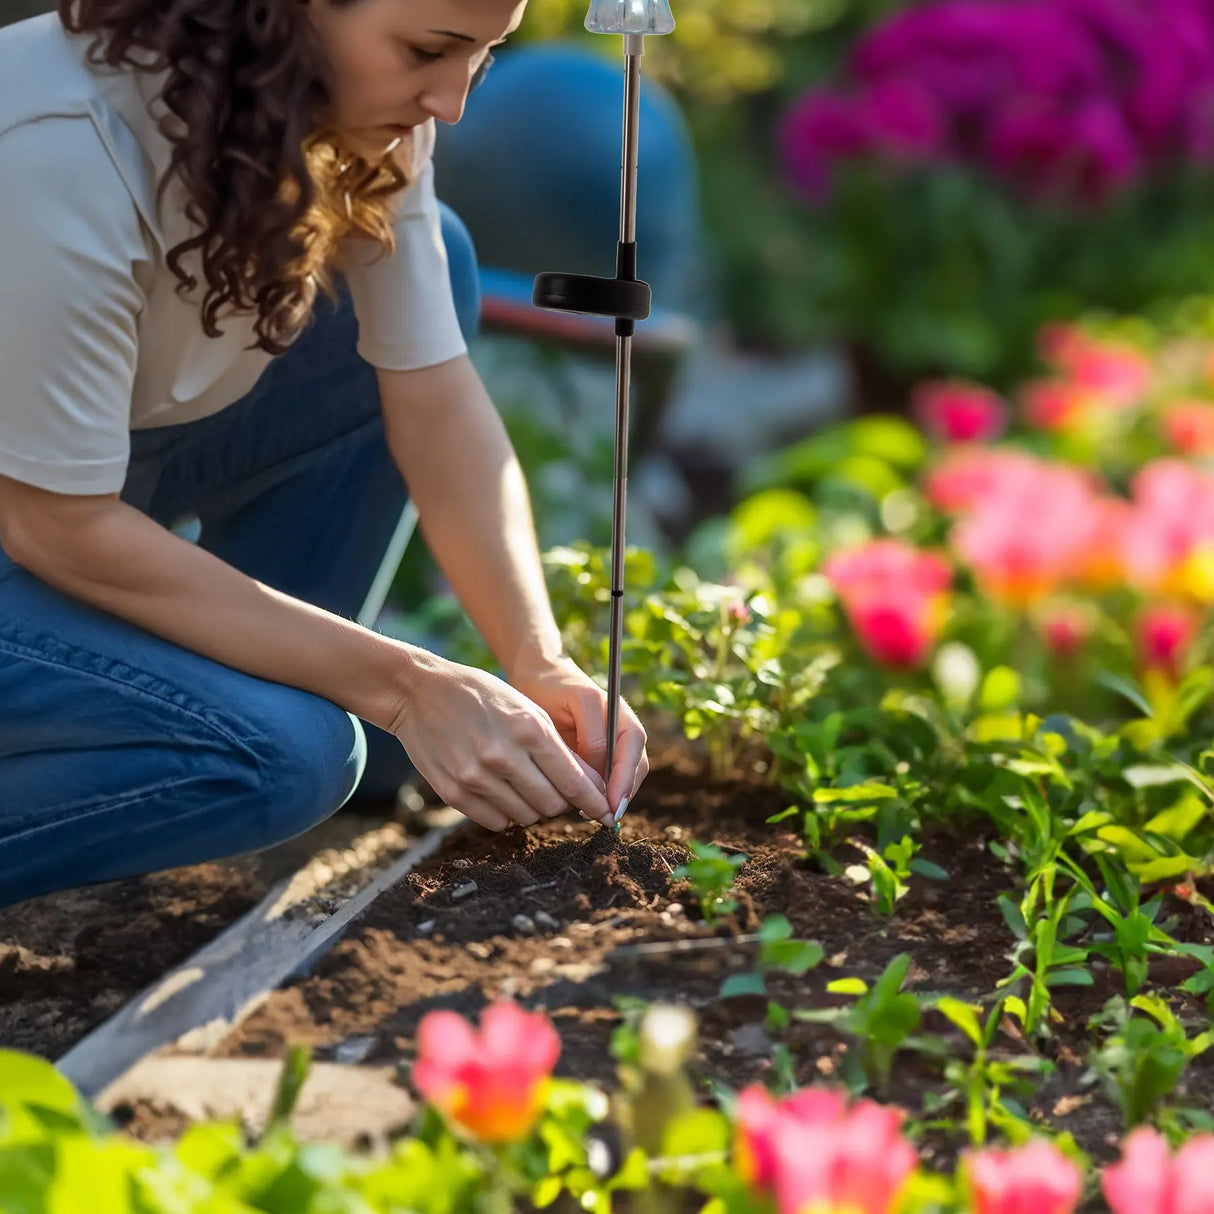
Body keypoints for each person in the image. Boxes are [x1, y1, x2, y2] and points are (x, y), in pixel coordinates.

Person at [0, 0, 649, 909]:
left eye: (485, 58)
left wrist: (538, 659)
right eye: (430, 50)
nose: (452, 102)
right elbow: (56, 529)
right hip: (38, 519)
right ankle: (221, 722)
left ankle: (230, 695)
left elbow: (433, 404)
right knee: (285, 754)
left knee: (429, 268)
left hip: (84, 479)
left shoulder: (346, 120)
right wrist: (406, 689)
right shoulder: (60, 143)